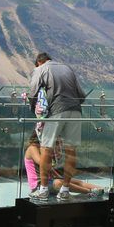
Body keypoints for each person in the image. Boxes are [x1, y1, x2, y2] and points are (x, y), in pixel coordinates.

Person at [26, 52, 87, 200]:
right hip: (76, 110)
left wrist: (35, 110)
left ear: (39, 63)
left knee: (46, 148)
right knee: (71, 150)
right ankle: (65, 190)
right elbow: (82, 94)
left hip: (57, 111)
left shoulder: (40, 69)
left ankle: (43, 190)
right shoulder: (67, 68)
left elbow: (33, 92)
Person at [23, 134, 109, 199]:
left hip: (49, 180)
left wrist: (58, 175)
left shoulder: (44, 149)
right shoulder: (32, 148)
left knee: (74, 181)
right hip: (38, 185)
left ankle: (104, 189)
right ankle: (90, 192)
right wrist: (49, 152)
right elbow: (42, 163)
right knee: (59, 183)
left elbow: (49, 168)